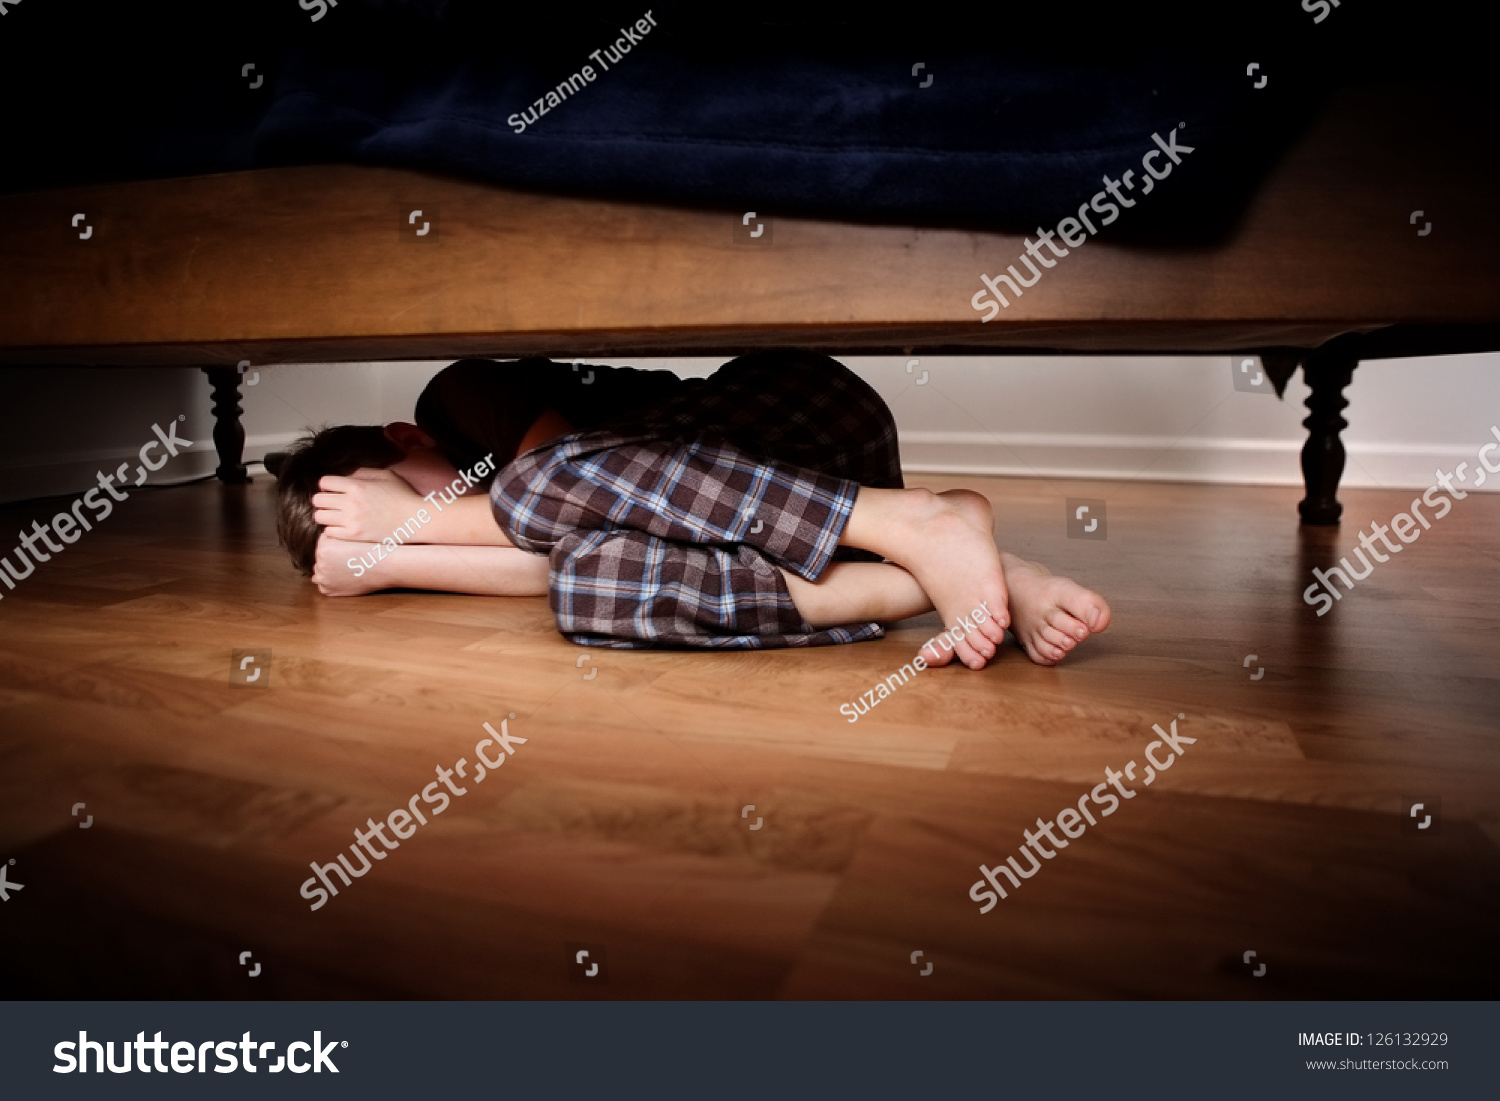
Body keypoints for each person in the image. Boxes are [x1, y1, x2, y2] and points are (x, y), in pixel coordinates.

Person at [274, 350, 1110, 668]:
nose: (408, 516)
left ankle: (913, 527)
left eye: (400, 495)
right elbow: (569, 553)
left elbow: (570, 490)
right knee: (584, 589)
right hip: (806, 527)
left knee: (535, 493)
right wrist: (395, 554)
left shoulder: (458, 396)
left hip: (798, 413)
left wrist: (403, 542)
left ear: (405, 436)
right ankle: (943, 569)